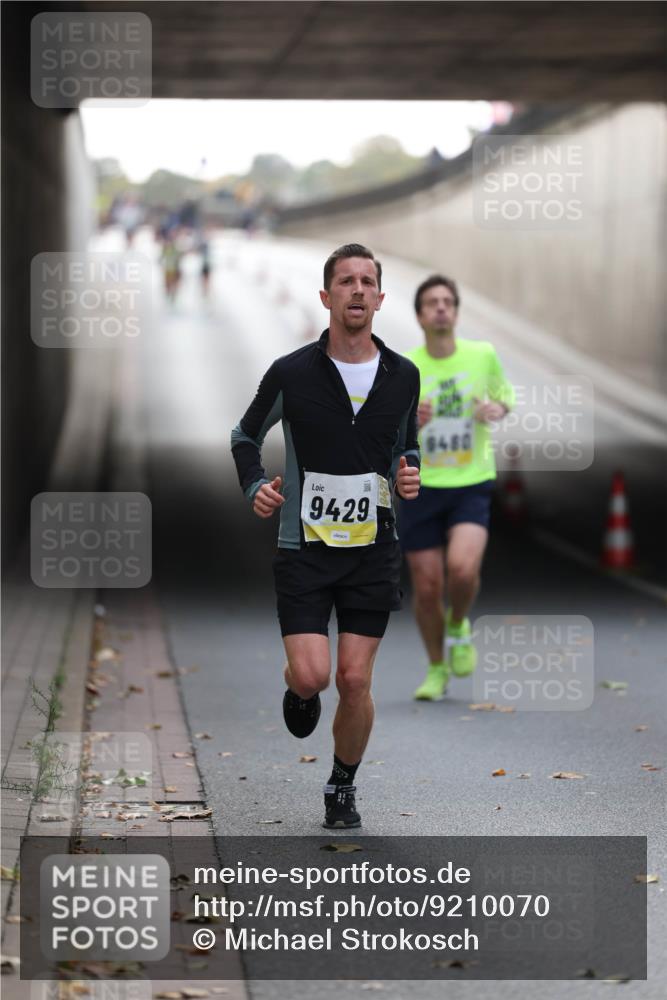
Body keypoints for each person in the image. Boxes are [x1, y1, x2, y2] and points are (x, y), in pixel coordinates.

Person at [231, 244, 421, 829]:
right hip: (304, 550)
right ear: (326, 296)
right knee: (315, 675)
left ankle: (342, 785)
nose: (357, 290)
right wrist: (255, 485)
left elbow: (404, 447)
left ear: (381, 298)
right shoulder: (293, 372)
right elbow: (244, 436)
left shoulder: (402, 376)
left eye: (367, 281)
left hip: (372, 549)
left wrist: (410, 473)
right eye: (346, 282)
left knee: (355, 678)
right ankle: (299, 689)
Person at [400, 275, 514, 701]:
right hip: (422, 484)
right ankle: (435, 668)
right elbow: (383, 429)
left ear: (457, 312)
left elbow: (505, 397)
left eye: (448, 301)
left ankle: (458, 623)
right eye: (432, 302)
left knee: (463, 570)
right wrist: (411, 421)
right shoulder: (405, 367)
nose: (441, 308)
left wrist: (495, 407)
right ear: (420, 316)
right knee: (427, 587)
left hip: (471, 481)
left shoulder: (482, 355)